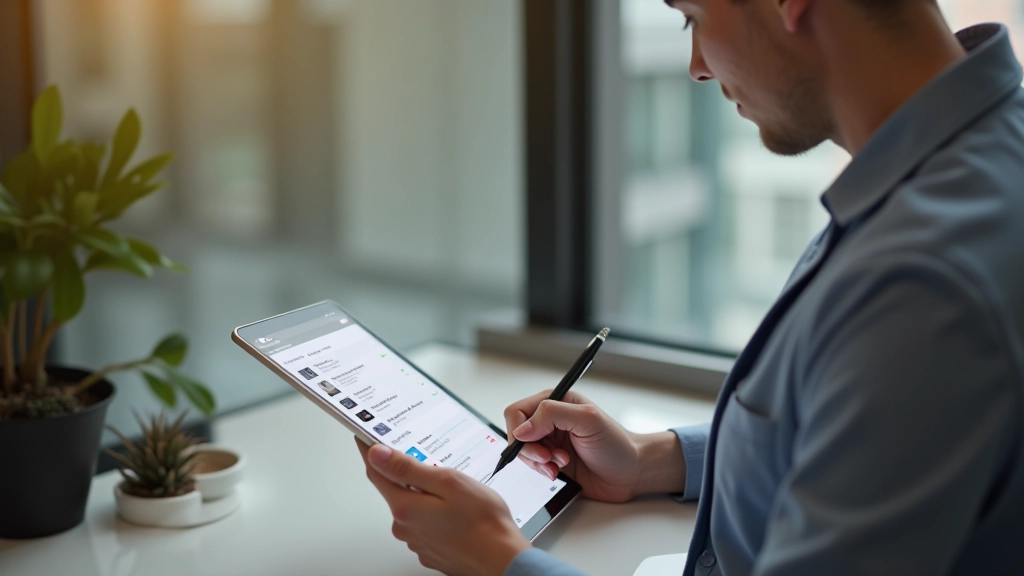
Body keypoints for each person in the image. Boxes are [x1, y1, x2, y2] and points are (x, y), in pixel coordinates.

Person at [357, 0, 1024, 574]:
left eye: (694, 18)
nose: (697, 66)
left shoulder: (925, 285)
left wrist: (501, 559)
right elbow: (859, 431)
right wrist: (654, 461)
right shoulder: (956, 167)